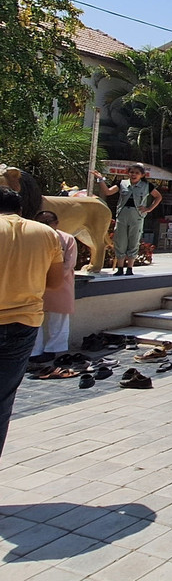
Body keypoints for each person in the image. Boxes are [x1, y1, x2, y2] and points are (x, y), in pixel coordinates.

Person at [0, 186, 63, 457]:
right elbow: (55, 282)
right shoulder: (47, 233)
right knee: (3, 399)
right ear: (22, 210)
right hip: (24, 323)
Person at [91, 164, 162, 276]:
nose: (133, 175)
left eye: (137, 173)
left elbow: (158, 197)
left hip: (137, 216)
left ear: (142, 175)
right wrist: (100, 179)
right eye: (132, 172)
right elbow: (108, 192)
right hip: (122, 215)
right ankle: (120, 268)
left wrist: (149, 209)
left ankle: (129, 268)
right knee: (120, 241)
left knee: (134, 241)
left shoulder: (147, 185)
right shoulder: (122, 183)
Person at [27, 211, 78, 364]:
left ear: (56, 223)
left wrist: (51, 278)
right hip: (35, 283)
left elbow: (68, 264)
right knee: (34, 319)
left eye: (48, 222)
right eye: (41, 222)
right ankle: (34, 351)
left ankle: (54, 349)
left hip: (60, 284)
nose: (45, 226)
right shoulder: (30, 239)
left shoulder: (68, 239)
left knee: (59, 317)